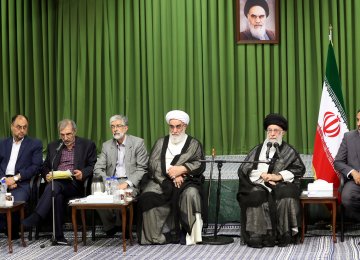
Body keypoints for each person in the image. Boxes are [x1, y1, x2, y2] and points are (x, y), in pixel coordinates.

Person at [22, 119, 97, 245]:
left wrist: (83, 173)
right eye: (62, 135)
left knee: (54, 187)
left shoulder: (87, 145)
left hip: (74, 183)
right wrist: (46, 175)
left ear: (74, 131)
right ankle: (58, 237)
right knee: (55, 192)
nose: (65, 138)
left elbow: (92, 165)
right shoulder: (54, 146)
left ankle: (37, 216)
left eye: (68, 134)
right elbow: (45, 166)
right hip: (56, 183)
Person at [237, 113, 305, 248]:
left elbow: (299, 169)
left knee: (286, 194)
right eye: (270, 130)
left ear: (283, 133)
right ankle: (259, 236)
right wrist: (262, 175)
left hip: (280, 183)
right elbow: (244, 168)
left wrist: (278, 176)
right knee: (256, 194)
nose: (272, 134)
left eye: (276, 131)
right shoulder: (257, 150)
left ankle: (283, 235)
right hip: (258, 182)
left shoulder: (289, 151)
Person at [138, 110, 206, 245]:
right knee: (147, 196)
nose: (174, 130)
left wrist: (182, 170)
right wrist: (172, 175)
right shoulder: (161, 142)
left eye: (178, 126)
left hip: (186, 180)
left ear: (185, 126)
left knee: (191, 194)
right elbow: (153, 163)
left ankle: (191, 234)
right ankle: (157, 236)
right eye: (171, 127)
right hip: (161, 179)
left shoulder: (193, 144)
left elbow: (199, 163)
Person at [94, 114, 148, 236]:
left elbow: (142, 168)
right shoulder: (107, 145)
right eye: (112, 126)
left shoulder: (138, 143)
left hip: (130, 181)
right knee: (98, 196)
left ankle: (123, 227)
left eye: (118, 126)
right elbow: (98, 167)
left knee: (122, 195)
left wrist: (127, 183)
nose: (115, 129)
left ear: (126, 128)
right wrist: (107, 180)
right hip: (111, 180)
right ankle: (110, 227)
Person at [0, 115, 43, 239]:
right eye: (19, 127)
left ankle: (11, 231)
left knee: (14, 201)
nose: (22, 130)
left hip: (22, 182)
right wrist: (4, 181)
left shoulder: (35, 144)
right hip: (3, 180)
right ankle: (5, 227)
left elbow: (36, 166)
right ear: (12, 127)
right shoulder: (2, 143)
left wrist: (15, 178)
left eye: (25, 127)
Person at [334, 109, 360, 221]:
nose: (359, 124)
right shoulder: (348, 137)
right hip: (355, 182)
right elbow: (338, 162)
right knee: (347, 197)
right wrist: (353, 172)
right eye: (358, 120)